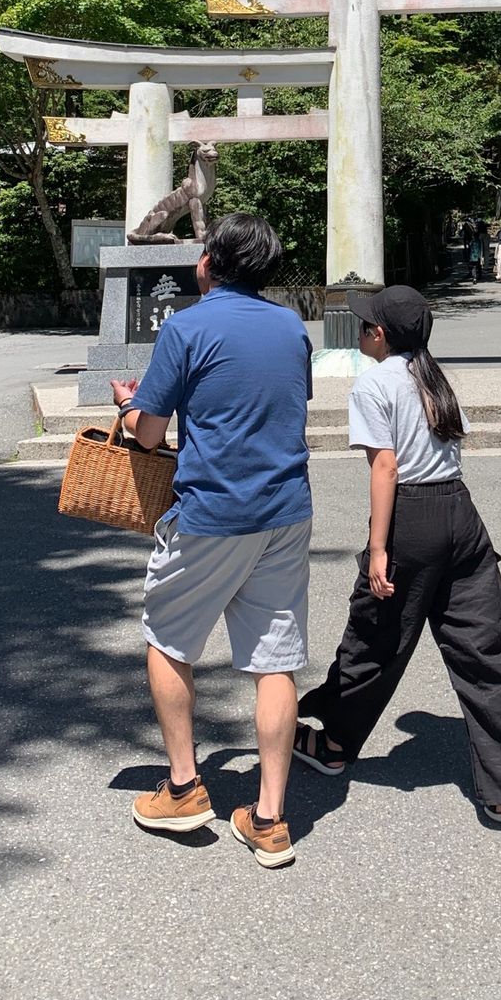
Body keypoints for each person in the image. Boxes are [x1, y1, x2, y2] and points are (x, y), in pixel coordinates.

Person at [294, 285, 501, 828]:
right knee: (481, 651)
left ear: (380, 335)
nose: (362, 330)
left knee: (376, 634)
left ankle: (336, 745)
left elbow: (385, 468)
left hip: (411, 517)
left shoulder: (375, 384)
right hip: (460, 513)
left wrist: (377, 548)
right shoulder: (434, 377)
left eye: (366, 325)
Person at [113, 213, 313, 869]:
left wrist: (127, 404)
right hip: (285, 511)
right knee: (274, 659)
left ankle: (183, 787)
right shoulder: (291, 328)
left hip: (211, 513)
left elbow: (148, 434)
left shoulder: (187, 326)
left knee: (167, 640)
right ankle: (269, 819)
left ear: (209, 262)